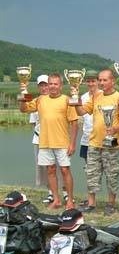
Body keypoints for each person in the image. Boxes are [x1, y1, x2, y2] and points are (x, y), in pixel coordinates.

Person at [19, 73, 78, 209]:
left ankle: (70, 200)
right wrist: (23, 91)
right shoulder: (40, 99)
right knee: (50, 171)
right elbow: (23, 109)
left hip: (62, 142)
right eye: (50, 83)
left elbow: (74, 123)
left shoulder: (66, 100)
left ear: (60, 86)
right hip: (44, 142)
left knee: (65, 170)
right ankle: (56, 200)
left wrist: (73, 143)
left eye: (55, 84)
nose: (52, 86)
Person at [75, 69, 119, 215]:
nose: (101, 83)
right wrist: (75, 99)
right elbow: (81, 112)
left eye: (105, 80)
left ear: (112, 81)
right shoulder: (95, 96)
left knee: (112, 175)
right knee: (92, 174)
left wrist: (115, 129)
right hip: (94, 143)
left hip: (111, 145)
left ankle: (111, 204)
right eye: (100, 80)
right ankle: (91, 204)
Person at [77, 70, 100, 207]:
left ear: (98, 81)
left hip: (101, 139)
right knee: (89, 170)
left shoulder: (103, 95)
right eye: (89, 81)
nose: (91, 83)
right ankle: (91, 199)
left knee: (103, 170)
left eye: (93, 81)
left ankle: (110, 201)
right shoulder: (83, 97)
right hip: (86, 139)